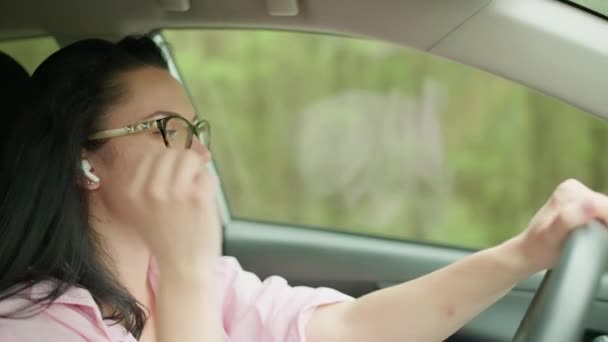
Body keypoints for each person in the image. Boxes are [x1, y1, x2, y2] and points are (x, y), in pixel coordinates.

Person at [0, 34, 606, 342]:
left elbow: (351, 331)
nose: (201, 151)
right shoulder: (31, 325)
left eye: (198, 128)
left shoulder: (187, 281)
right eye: (170, 129)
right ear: (87, 162)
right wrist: (187, 269)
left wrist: (524, 251)